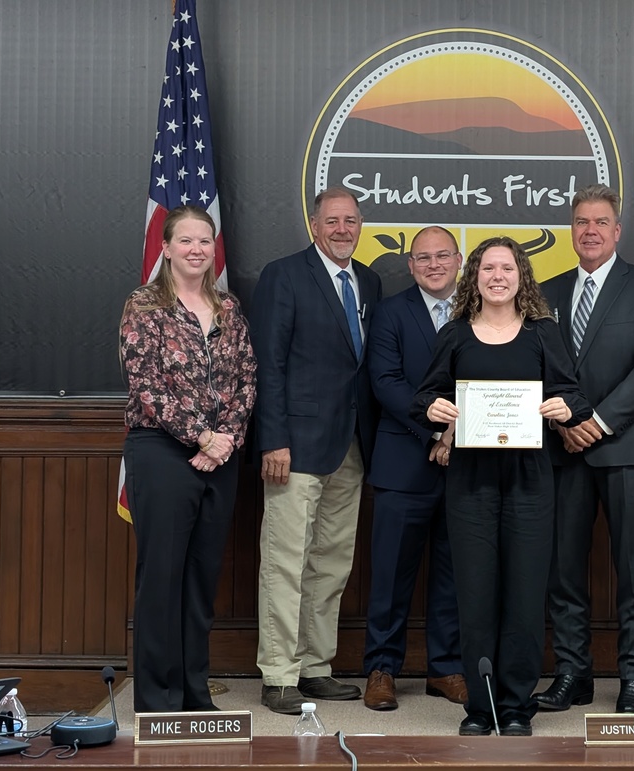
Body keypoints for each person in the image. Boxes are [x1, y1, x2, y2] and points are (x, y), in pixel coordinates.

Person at [411, 236, 591, 737]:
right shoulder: (455, 335)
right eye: (487, 268)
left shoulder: (543, 333)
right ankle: (481, 705)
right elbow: (423, 395)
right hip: (470, 484)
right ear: (475, 277)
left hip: (530, 482)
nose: (497, 276)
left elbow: (572, 393)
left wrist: (564, 409)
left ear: (520, 276)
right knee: (475, 595)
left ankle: (515, 705)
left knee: (525, 595)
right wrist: (433, 410)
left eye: (506, 268)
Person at [537, 184, 634, 714]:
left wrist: (594, 422)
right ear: (571, 232)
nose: (589, 230)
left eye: (600, 222)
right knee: (562, 569)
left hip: (628, 449)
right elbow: (535, 366)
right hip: (562, 449)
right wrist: (566, 425)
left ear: (617, 231)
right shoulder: (545, 292)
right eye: (580, 222)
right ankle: (574, 673)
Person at [250, 187, 382, 715]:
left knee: (331, 563)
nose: (342, 229)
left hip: (351, 445)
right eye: (333, 220)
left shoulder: (369, 280)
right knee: (285, 562)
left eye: (351, 220)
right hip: (295, 446)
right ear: (313, 224)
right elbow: (269, 364)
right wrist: (273, 438)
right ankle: (279, 673)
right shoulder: (284, 275)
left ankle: (314, 667)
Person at [120, 205, 257, 712]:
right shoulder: (145, 305)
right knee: (163, 576)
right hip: (160, 450)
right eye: (186, 241)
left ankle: (195, 693)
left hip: (220, 457)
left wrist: (223, 440)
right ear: (167, 247)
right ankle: (157, 698)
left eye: (205, 241)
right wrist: (201, 436)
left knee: (201, 580)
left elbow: (247, 379)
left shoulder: (229, 309)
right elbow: (147, 385)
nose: (197, 249)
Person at [362, 226, 467, 710]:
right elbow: (385, 382)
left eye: (442, 255)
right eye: (423, 257)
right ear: (409, 264)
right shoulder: (389, 313)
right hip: (404, 463)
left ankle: (446, 669)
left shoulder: (479, 309)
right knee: (390, 573)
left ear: (459, 258)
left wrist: (455, 434)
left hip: (467, 463)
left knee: (453, 573)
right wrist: (435, 429)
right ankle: (382, 669)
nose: (433, 264)